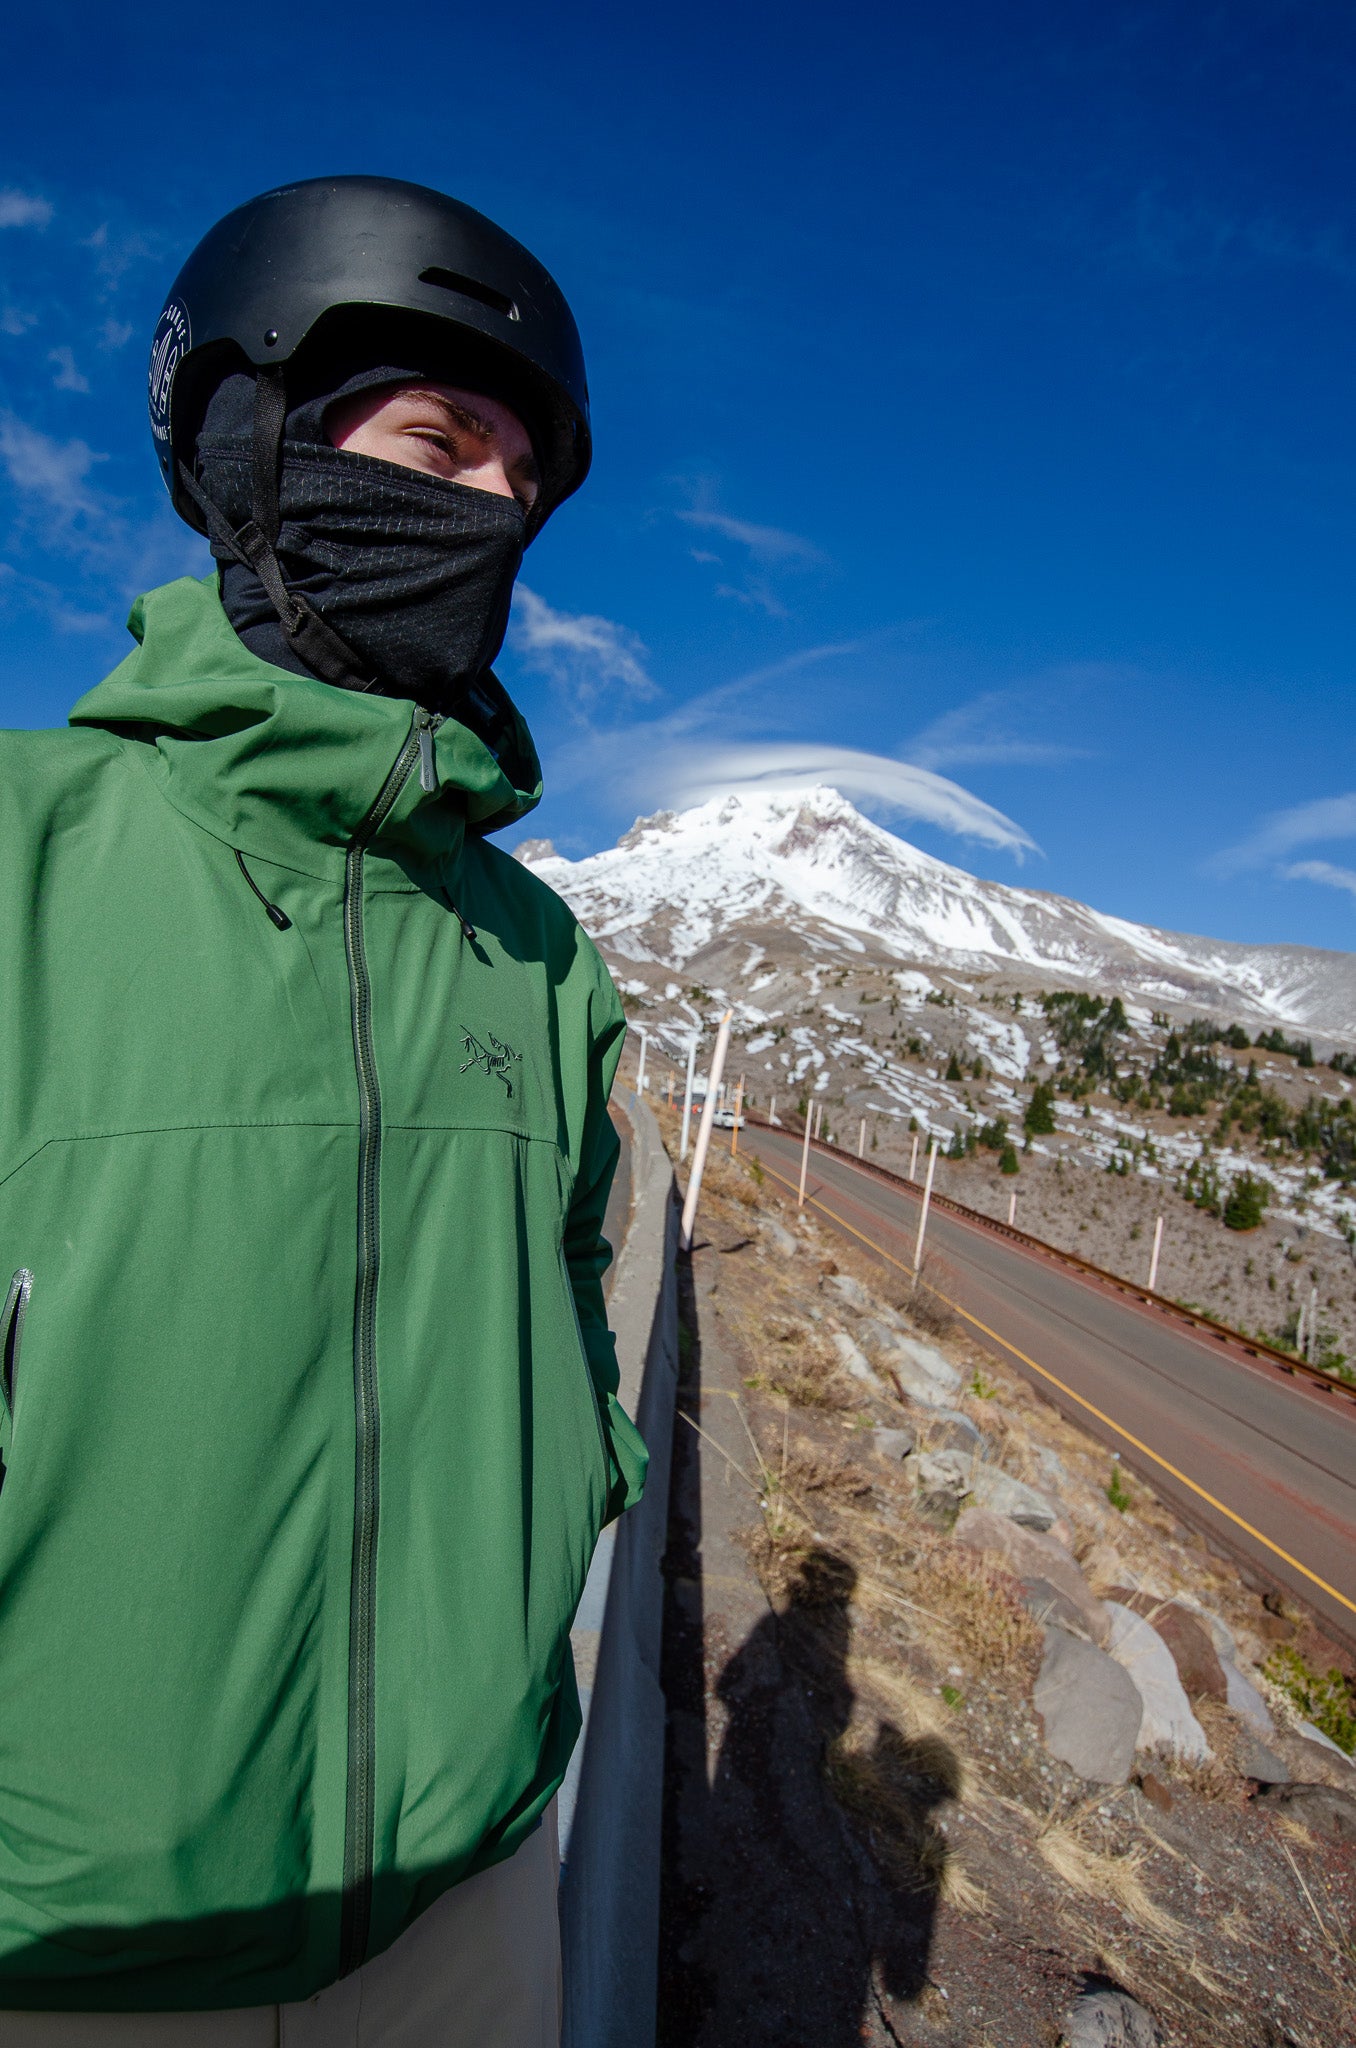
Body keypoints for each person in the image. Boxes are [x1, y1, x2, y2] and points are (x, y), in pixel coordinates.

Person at [0, 175, 646, 2043]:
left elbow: (573, 1303)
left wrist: (564, 1494)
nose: (488, 509)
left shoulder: (541, 957)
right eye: (439, 441)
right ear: (253, 448)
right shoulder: (26, 858)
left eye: (518, 479)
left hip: (471, 1895)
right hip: (73, 1951)